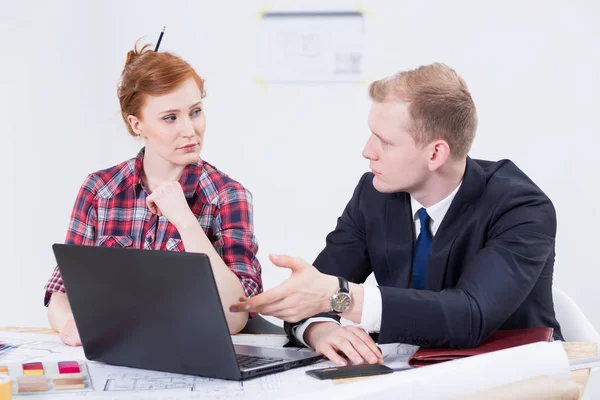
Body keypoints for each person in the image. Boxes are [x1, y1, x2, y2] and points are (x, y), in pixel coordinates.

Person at [230, 62, 562, 367]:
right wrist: (319, 328)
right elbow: (313, 289)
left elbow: (469, 316)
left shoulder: (522, 208)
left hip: (513, 375)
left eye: (384, 142)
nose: (367, 151)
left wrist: (340, 296)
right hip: (409, 376)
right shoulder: (373, 194)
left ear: (435, 153)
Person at [45, 41, 262, 346]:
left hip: (192, 356)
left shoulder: (228, 196)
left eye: (195, 112)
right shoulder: (99, 190)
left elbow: (234, 318)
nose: (190, 129)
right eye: (170, 117)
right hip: (120, 354)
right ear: (137, 125)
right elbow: (61, 294)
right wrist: (71, 324)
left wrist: (185, 221)